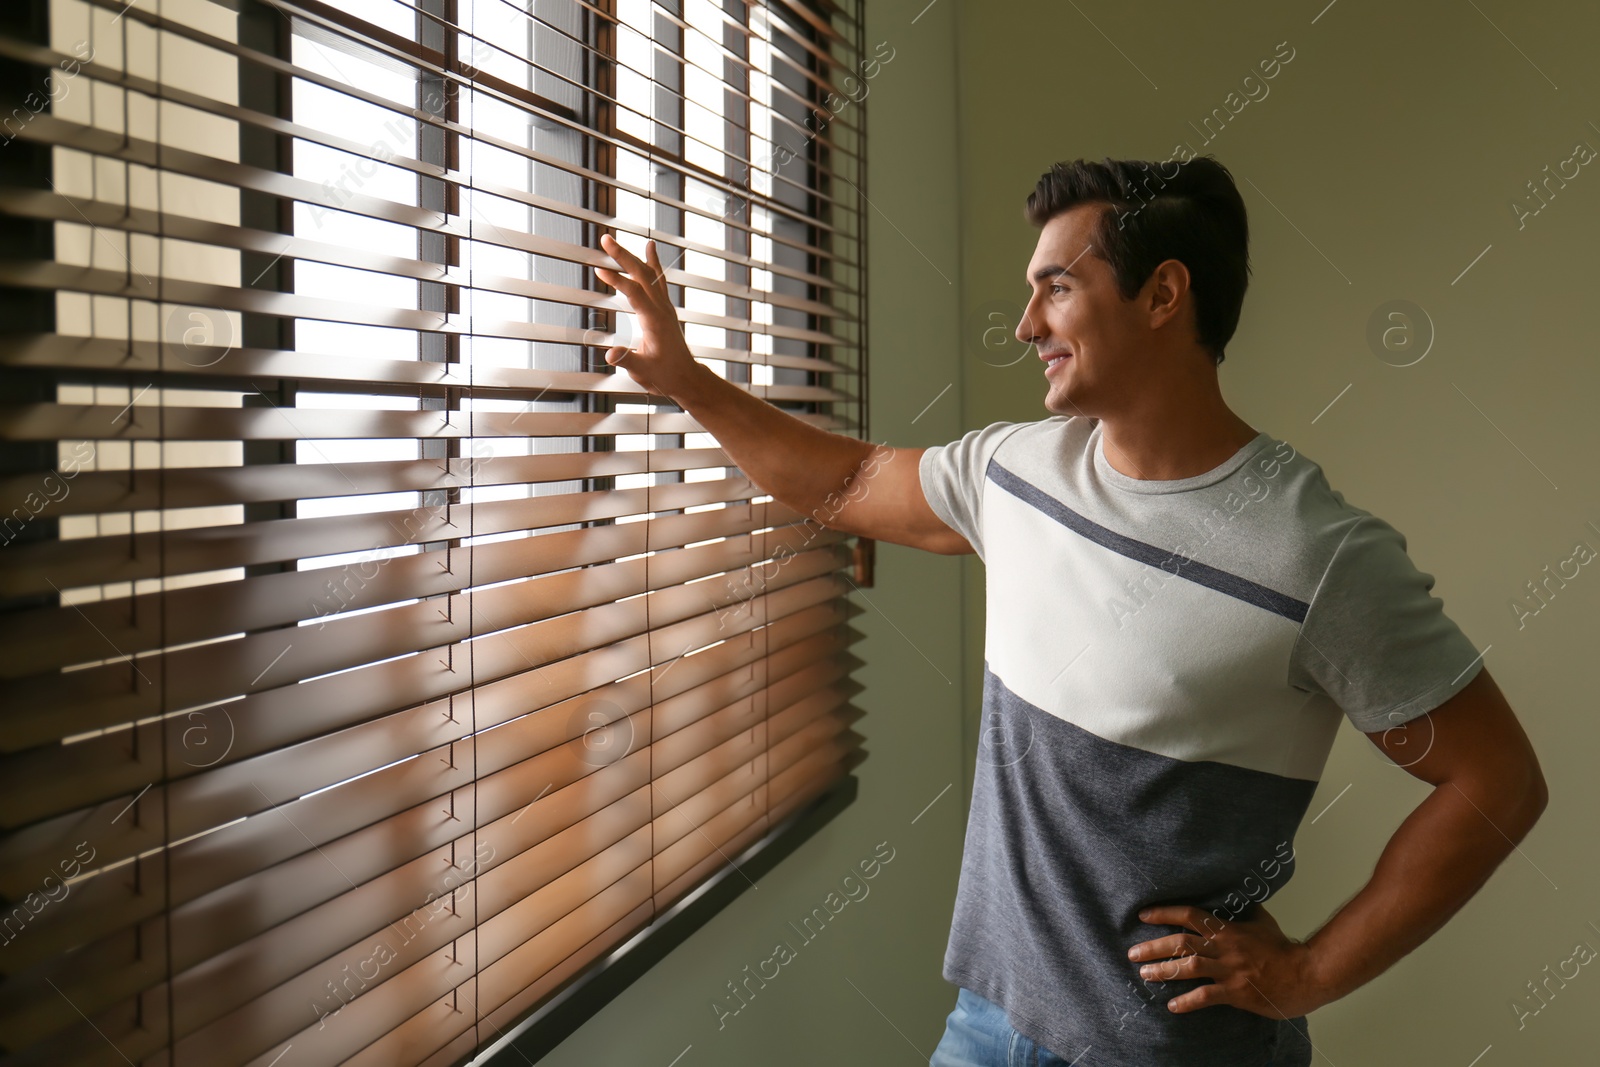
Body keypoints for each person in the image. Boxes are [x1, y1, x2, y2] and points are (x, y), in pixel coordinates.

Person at [591, 155, 1548, 1067]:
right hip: (987, 1025)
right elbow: (840, 485)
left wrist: (1306, 972)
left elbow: (1496, 782)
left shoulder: (1319, 555)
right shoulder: (1016, 472)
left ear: (1164, 295)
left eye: (1056, 288)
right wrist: (683, 380)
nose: (1024, 326)